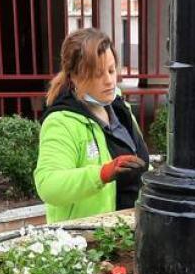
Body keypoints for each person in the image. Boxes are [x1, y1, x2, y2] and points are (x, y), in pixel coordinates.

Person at [35, 27, 150, 223]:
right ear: (75, 77)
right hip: (86, 240)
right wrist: (102, 174)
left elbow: (140, 163)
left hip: (131, 227)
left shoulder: (121, 109)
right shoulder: (61, 122)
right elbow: (48, 186)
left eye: (112, 70)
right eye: (98, 74)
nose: (109, 81)